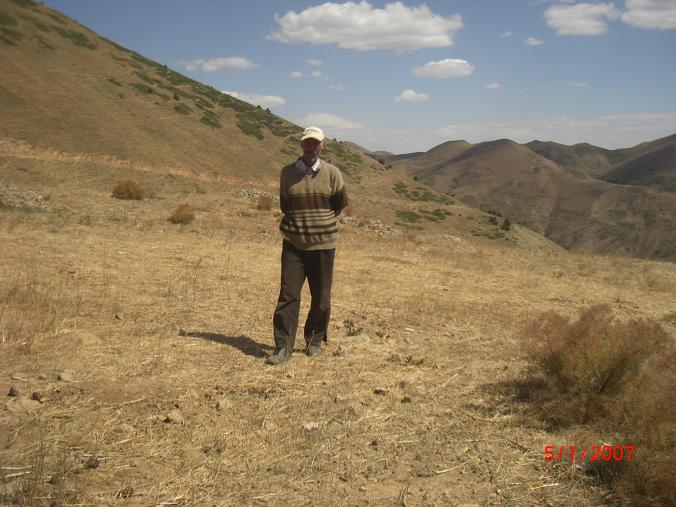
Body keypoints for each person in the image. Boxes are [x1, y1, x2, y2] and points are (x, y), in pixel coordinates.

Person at [267, 126, 348, 365]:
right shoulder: (287, 173)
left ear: (322, 146)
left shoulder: (333, 173)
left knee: (321, 298)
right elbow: (286, 205)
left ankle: (314, 342)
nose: (311, 147)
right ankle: (283, 347)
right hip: (294, 245)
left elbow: (339, 206)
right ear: (301, 145)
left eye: (315, 143)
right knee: (288, 296)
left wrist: (319, 225)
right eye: (307, 142)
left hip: (323, 246)